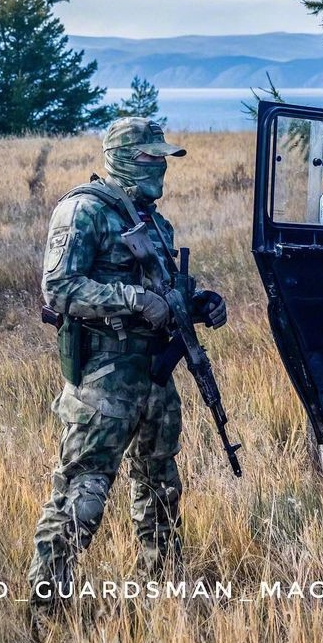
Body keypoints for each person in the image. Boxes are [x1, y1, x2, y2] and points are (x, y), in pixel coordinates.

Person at [27, 117, 227, 609]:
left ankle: (162, 589)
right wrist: (134, 300)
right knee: (84, 490)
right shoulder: (83, 212)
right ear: (121, 158)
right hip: (104, 379)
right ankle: (46, 602)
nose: (160, 165)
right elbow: (60, 289)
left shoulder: (155, 222)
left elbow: (167, 291)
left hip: (155, 375)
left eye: (163, 157)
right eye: (149, 157)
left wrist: (199, 301)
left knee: (160, 484)